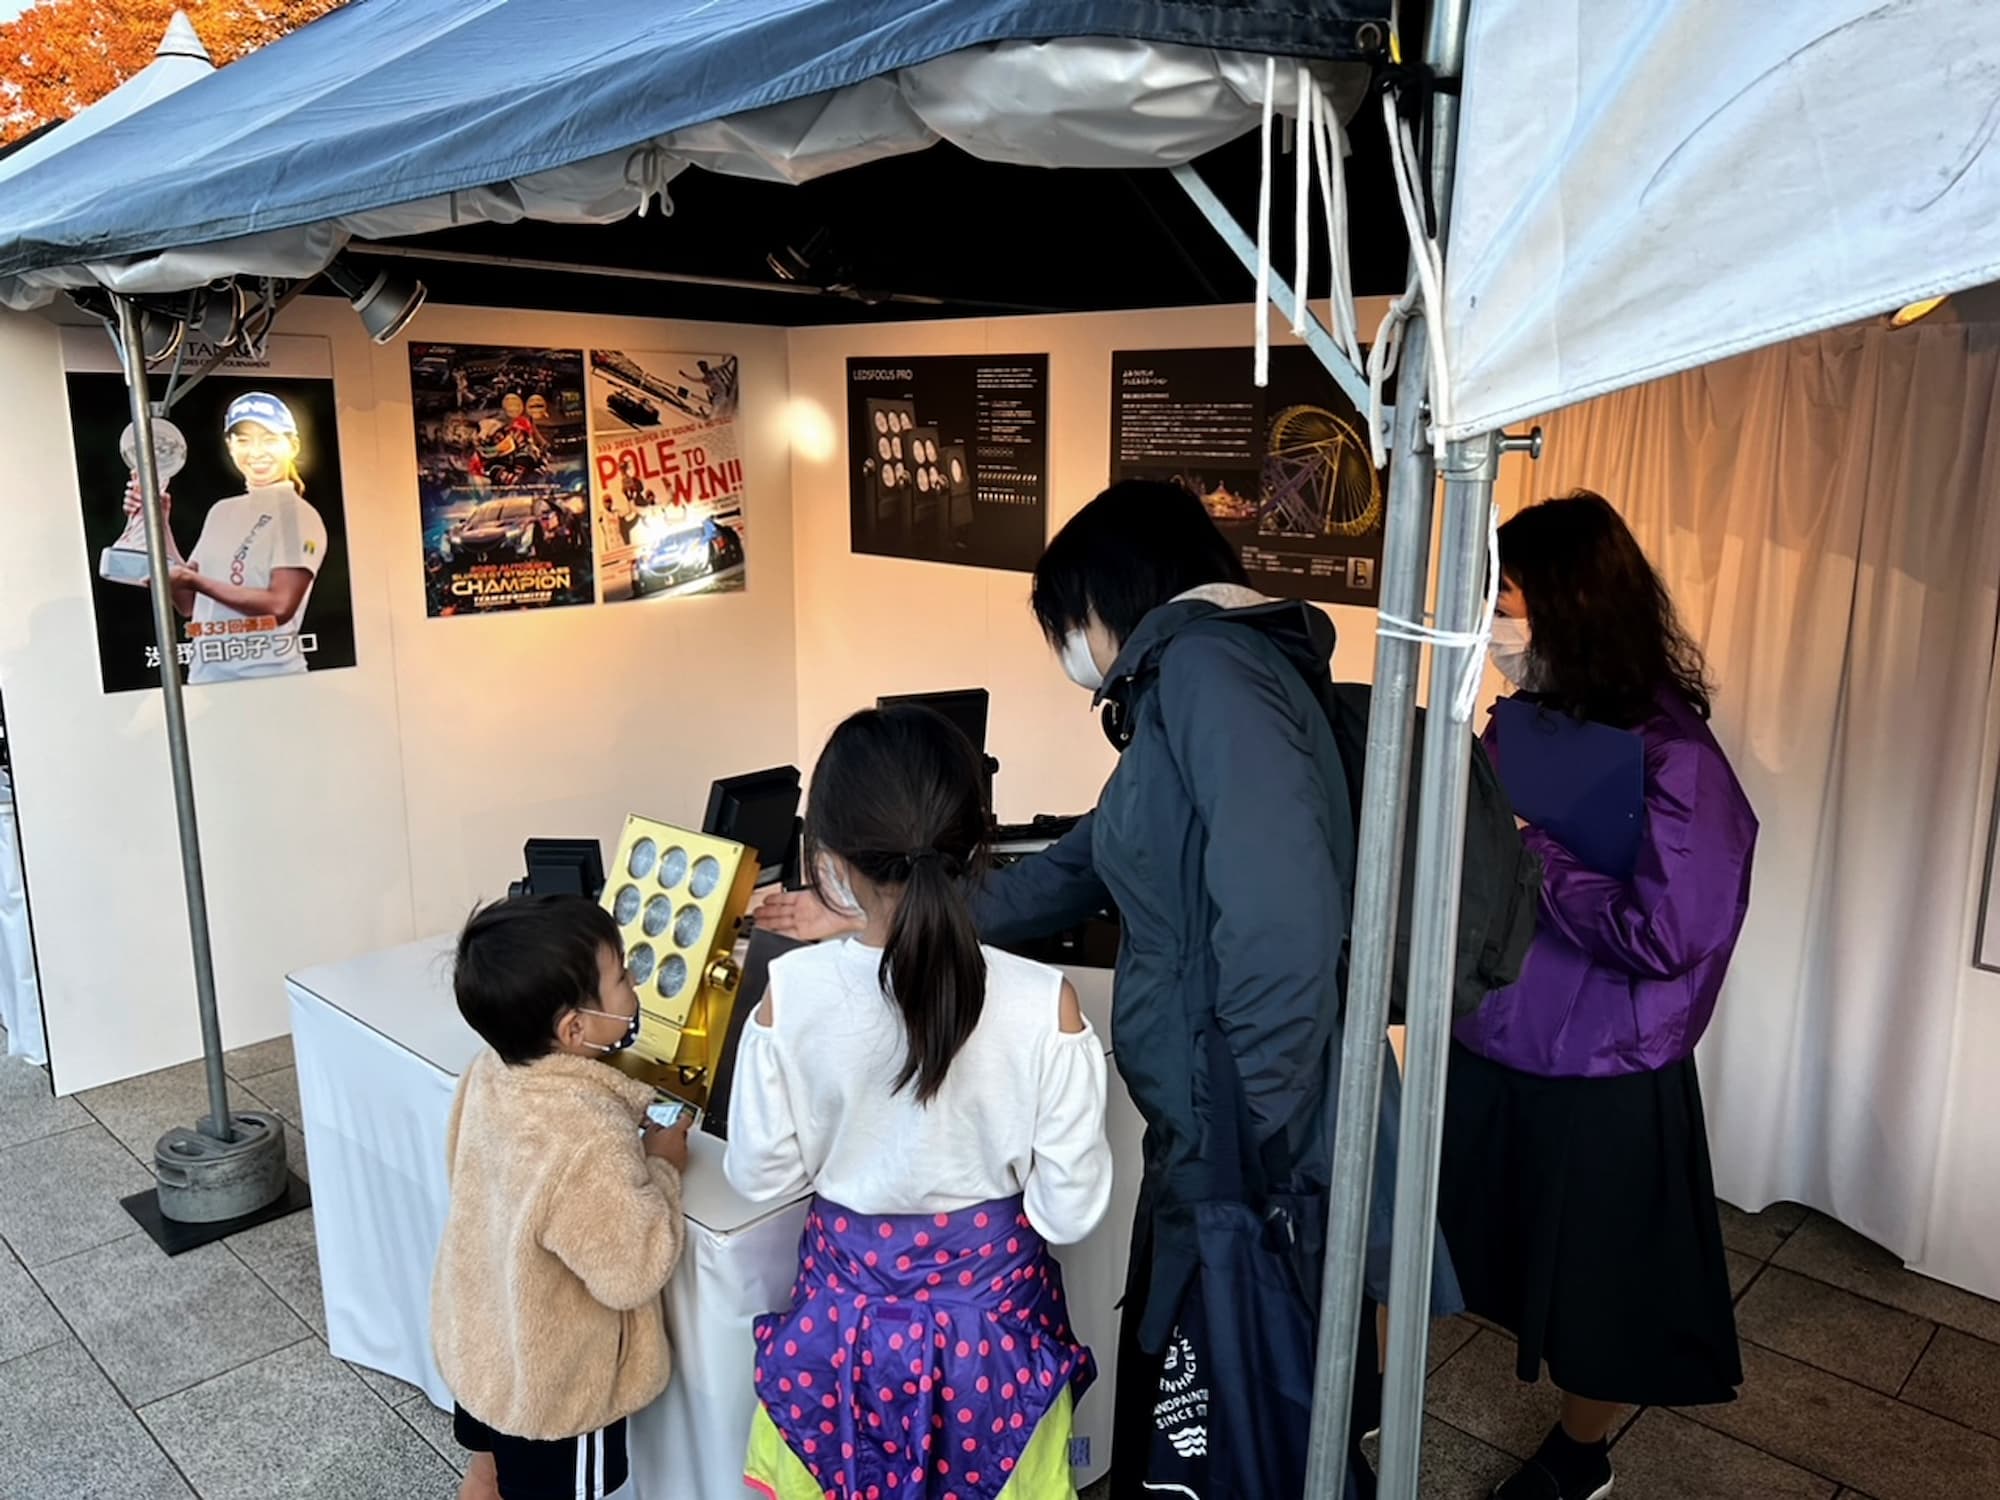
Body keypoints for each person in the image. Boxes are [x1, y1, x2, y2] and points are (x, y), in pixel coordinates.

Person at [759, 480, 1448, 1498]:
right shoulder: (1189, 687)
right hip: (1222, 1112)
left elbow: (1281, 915)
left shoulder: (1209, 671)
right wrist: (881, 908)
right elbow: (1083, 861)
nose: (1070, 651)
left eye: (1064, 622)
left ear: (1107, 595)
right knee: (1229, 1384)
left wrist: (1251, 1126)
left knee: (1241, 1396)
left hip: (1242, 1125)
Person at [1441, 491, 1757, 1500]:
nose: (1492, 620)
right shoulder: (1525, 720)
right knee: (1451, 1242)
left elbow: (1670, 934)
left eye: (1505, 597)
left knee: (1600, 1291)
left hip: (1600, 1069)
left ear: (1570, 601)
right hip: (1490, 1033)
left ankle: (1580, 1454)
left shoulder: (1675, 757)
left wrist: (1533, 856)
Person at [726, 705, 1113, 1500]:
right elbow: (1068, 1214)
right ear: (977, 846)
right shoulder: (1048, 1004)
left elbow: (761, 1177)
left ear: (827, 860)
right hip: (995, 1350)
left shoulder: (788, 993)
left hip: (837, 1339)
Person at [431, 895, 692, 1500]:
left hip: (484, 1343)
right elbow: (632, 1270)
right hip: (552, 1386)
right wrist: (662, 1166)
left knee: (488, 1472)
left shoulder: (490, 1070)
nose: (634, 984)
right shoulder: (586, 1138)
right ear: (575, 1028)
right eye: (622, 977)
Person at [126, 391, 330, 684]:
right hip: (205, 682)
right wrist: (157, 524)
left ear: (292, 445)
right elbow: (189, 604)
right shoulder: (221, 511)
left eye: (269, 439)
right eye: (244, 440)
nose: (256, 452)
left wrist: (194, 580)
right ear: (230, 446)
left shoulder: (298, 515)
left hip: (273, 684)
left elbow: (280, 605)